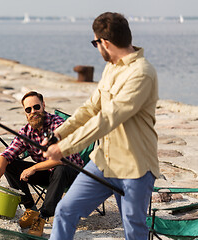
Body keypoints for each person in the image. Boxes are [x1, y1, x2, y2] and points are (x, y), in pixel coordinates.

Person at [43, 12, 159, 240]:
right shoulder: (112, 67)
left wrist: (64, 149)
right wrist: (58, 134)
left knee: (134, 230)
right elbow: (91, 108)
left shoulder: (142, 73)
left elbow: (108, 118)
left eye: (96, 43)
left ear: (104, 42)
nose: (97, 48)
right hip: (103, 162)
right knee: (65, 210)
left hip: (134, 168)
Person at [0, 91, 83, 237]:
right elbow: (6, 155)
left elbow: (61, 158)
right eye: (28, 109)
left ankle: (43, 217)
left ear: (43, 106)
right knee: (11, 165)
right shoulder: (26, 132)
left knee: (60, 169)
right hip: (48, 174)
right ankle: (31, 210)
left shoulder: (57, 124)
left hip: (72, 173)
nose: (33, 112)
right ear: (25, 113)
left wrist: (33, 167)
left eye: (36, 107)